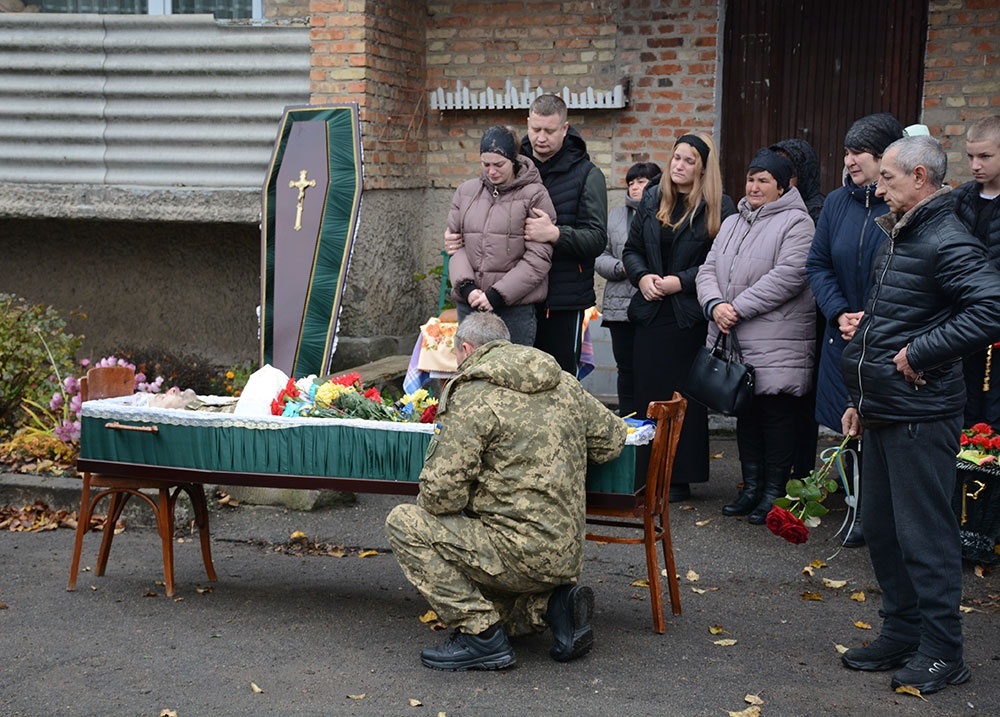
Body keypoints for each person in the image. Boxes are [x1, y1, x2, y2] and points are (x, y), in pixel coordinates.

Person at [839, 135, 1000, 694]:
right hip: (885, 409)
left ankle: (943, 651)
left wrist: (921, 352)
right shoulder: (901, 232)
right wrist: (862, 398)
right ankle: (902, 632)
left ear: (920, 179)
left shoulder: (946, 237)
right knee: (882, 531)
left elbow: (991, 307)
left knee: (924, 537)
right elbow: (891, 319)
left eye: (887, 177)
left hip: (921, 413)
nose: (876, 186)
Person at [384, 312, 627, 671]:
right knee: (494, 593)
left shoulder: (472, 393)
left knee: (404, 522)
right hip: (565, 552)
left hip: (514, 552)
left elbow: (440, 495)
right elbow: (612, 440)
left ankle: (480, 637)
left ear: (466, 349)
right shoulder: (563, 382)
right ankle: (551, 607)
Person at [695, 148, 815, 523]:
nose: (755, 186)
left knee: (776, 415)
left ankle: (774, 493)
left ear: (783, 186)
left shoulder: (798, 223)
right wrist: (714, 304)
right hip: (736, 336)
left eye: (764, 180)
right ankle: (750, 488)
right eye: (751, 178)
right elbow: (708, 268)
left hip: (777, 337)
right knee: (745, 414)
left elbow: (790, 275)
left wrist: (737, 307)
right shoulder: (733, 221)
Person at [805, 113, 905, 547]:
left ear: (884, 157)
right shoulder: (836, 203)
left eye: (856, 153)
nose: (848, 161)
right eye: (845, 152)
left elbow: (908, 271)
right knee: (847, 424)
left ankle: (876, 513)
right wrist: (839, 311)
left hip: (887, 334)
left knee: (881, 423)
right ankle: (857, 504)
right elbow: (819, 264)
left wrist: (873, 316)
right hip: (842, 333)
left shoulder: (901, 205)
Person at [623, 134, 734, 502]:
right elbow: (632, 249)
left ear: (702, 168)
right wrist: (642, 277)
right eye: (676, 158)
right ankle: (646, 472)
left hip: (688, 316)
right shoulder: (653, 196)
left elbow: (720, 263)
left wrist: (678, 282)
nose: (679, 165)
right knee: (647, 394)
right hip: (650, 312)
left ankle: (679, 478)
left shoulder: (719, 206)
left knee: (682, 399)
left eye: (688, 160)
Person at [519, 94, 609, 375]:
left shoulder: (587, 174)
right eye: (535, 129)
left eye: (549, 131)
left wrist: (555, 233)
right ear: (527, 124)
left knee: (558, 384)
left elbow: (596, 238)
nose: (541, 138)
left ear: (565, 129)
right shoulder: (513, 167)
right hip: (516, 297)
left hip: (562, 301)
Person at [443, 125, 556, 346]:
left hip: (515, 309)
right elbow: (456, 246)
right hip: (471, 305)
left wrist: (497, 295)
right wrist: (467, 288)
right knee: (472, 375)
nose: (491, 171)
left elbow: (538, 258)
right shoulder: (466, 192)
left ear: (514, 161)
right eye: (486, 164)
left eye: (499, 165)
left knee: (512, 377)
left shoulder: (535, 195)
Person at [771, 138, 825, 484]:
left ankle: (802, 472)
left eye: (787, 172)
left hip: (811, 318)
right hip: (774, 321)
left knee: (803, 402)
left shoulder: (816, 210)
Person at [595, 161, 661, 416]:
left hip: (653, 303)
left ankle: (652, 422)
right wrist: (622, 267)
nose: (635, 187)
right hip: (619, 308)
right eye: (631, 182)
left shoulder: (664, 212)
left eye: (641, 182)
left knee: (651, 368)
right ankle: (629, 421)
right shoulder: (615, 216)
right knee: (626, 369)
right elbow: (600, 255)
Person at [953, 115, 1000, 426]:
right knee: (965, 408)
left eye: (985, 156)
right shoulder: (960, 199)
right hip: (964, 320)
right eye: (970, 156)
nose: (975, 164)